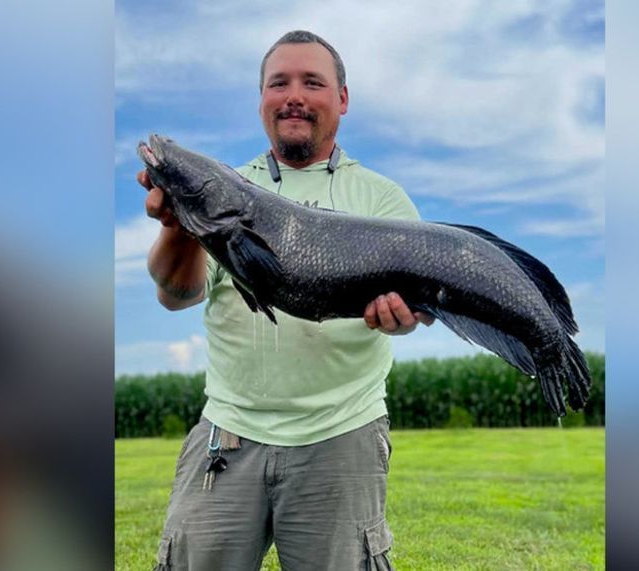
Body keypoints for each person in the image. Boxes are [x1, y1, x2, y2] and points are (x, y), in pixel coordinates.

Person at [138, 30, 432, 571]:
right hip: (227, 435)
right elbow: (176, 294)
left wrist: (403, 320)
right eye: (279, 83)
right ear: (262, 100)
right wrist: (181, 226)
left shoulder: (383, 200)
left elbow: (411, 308)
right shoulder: (227, 187)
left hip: (341, 436)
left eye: (312, 82)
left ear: (341, 99)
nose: (293, 94)